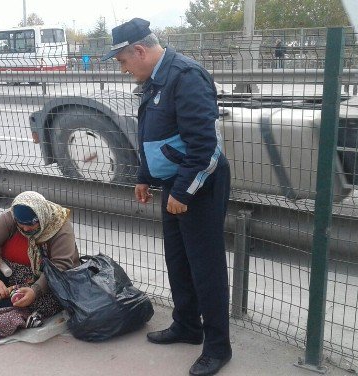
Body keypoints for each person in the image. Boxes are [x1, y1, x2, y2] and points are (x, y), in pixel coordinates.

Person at [102, 18, 232, 376]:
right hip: (173, 186)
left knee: (206, 268)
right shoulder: (155, 78)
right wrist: (145, 176)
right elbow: (152, 134)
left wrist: (183, 192)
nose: (124, 69)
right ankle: (187, 326)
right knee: (178, 260)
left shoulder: (186, 77)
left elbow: (204, 149)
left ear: (139, 51)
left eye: (124, 61)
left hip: (198, 186)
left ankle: (218, 347)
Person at [0, 191, 80, 320]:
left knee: (38, 304)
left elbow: (60, 266)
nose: (25, 229)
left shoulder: (60, 228)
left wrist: (35, 291)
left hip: (50, 281)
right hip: (14, 273)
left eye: (31, 224)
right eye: (21, 225)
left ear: (41, 216)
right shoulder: (10, 217)